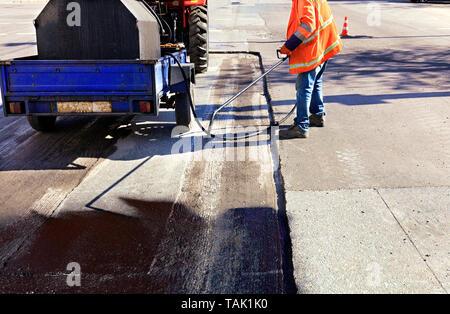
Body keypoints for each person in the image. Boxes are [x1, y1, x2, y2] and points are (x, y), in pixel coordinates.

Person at [279, 0, 342, 139]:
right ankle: (317, 114)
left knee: (304, 87)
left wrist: (289, 46)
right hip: (323, 43)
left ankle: (301, 126)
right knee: (316, 80)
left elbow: (307, 24)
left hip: (313, 49)